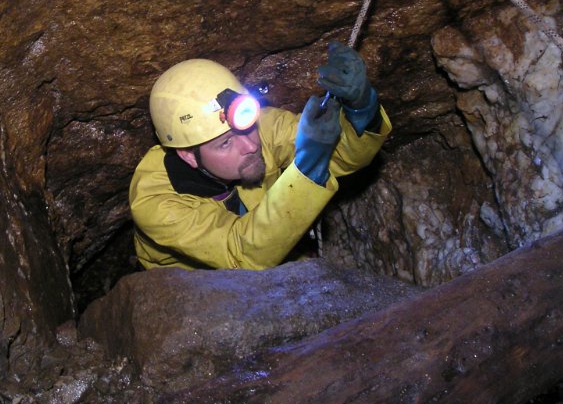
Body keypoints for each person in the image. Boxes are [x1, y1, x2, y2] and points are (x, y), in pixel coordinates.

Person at [129, 41, 391, 270]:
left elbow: (343, 157)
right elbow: (240, 254)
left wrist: (361, 110)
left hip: (272, 251)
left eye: (246, 128)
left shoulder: (261, 128)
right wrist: (308, 166)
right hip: (192, 286)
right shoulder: (155, 201)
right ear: (188, 156)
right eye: (225, 143)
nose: (250, 145)